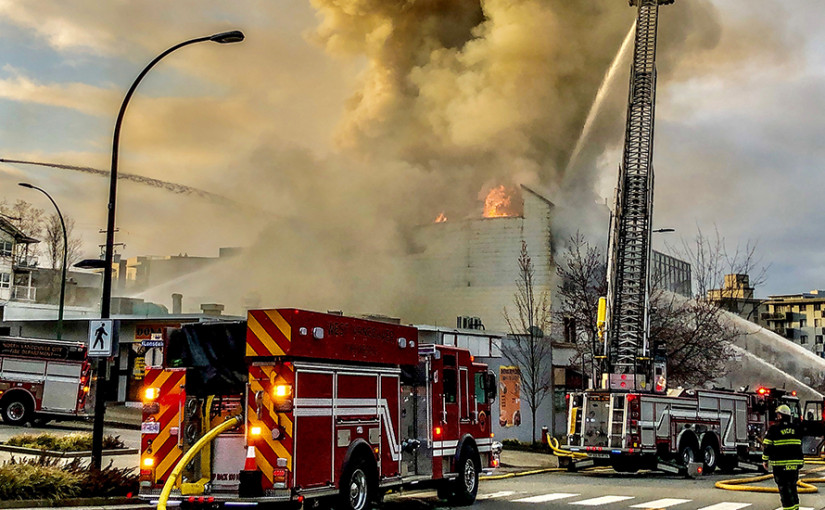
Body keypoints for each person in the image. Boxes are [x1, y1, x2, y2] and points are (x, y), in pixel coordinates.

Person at [762, 404, 804, 510]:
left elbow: (767, 446)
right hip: (794, 465)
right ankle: (795, 508)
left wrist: (765, 460)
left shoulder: (774, 429)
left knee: (784, 490)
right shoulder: (796, 428)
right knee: (793, 489)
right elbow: (798, 446)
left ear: (780, 416)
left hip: (780, 466)